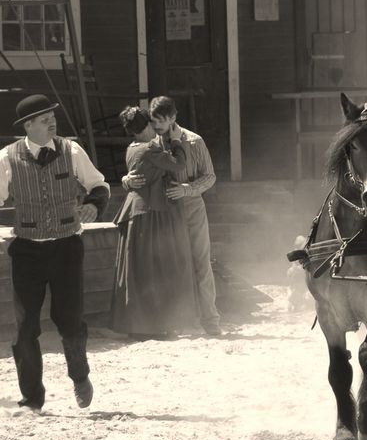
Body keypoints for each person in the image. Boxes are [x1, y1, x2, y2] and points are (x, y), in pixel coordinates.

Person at [1, 94, 109, 410]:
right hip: (27, 252)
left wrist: (93, 206)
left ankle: (79, 376)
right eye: (45, 118)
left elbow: (99, 186)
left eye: (53, 117)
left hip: (66, 248)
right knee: (25, 329)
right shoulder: (7, 158)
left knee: (70, 321)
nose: (53, 122)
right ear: (28, 125)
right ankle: (32, 396)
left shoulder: (71, 150)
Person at [122, 96, 221, 336]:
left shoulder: (194, 141)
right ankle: (174, 321)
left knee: (200, 261)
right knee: (167, 265)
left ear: (173, 118)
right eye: (154, 122)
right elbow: (136, 172)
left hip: (190, 207)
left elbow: (210, 176)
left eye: (161, 122)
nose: (157, 127)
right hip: (162, 213)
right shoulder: (150, 141)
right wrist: (126, 180)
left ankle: (210, 319)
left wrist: (187, 189)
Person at [111, 106, 197, 338]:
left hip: (140, 212)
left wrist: (126, 181)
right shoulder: (150, 149)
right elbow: (178, 164)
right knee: (153, 270)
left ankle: (143, 324)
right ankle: (153, 325)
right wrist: (177, 141)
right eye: (153, 123)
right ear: (146, 126)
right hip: (149, 213)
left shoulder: (132, 147)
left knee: (141, 270)